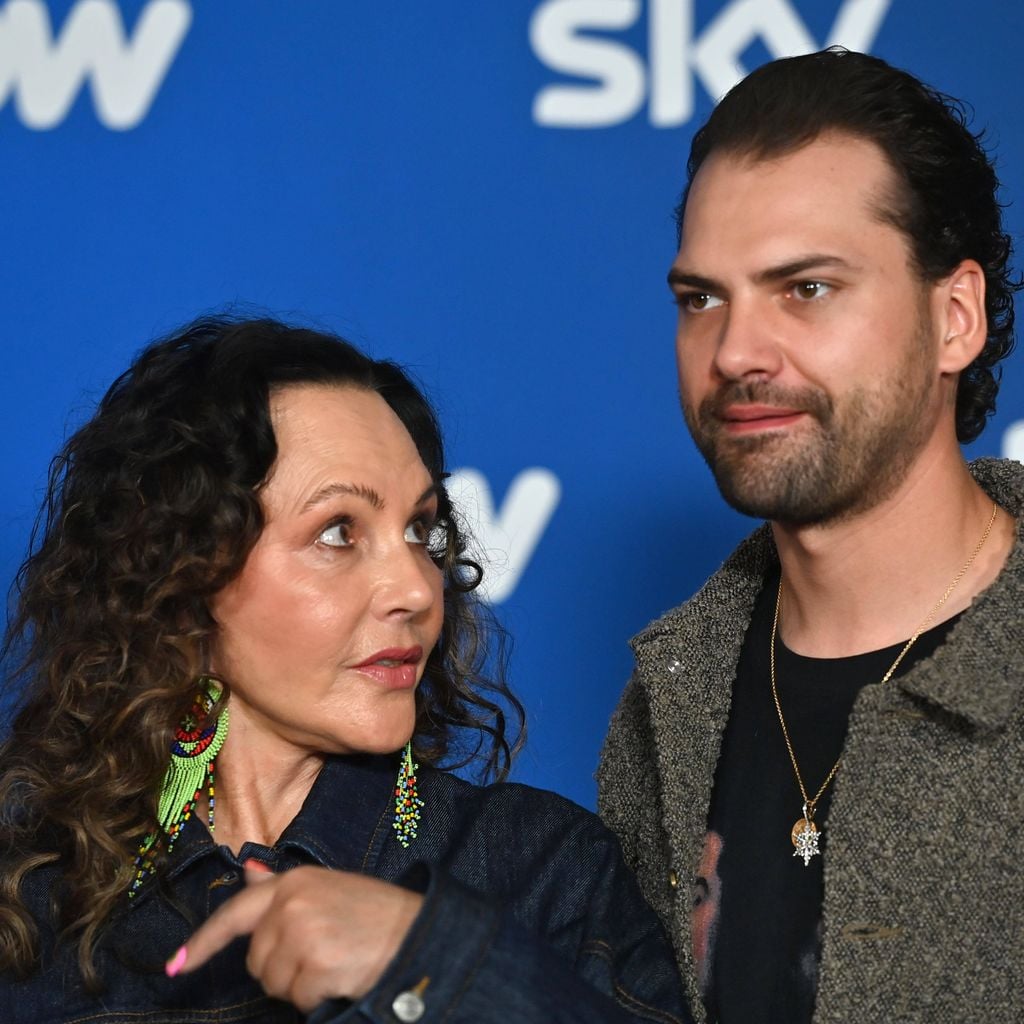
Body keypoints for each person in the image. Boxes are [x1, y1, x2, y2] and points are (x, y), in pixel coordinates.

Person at [0, 316, 688, 1023]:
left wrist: (429, 959)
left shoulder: (542, 872)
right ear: (179, 574)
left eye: (420, 529)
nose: (419, 589)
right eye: (338, 532)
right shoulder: (30, 899)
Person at [597, 48, 1024, 1024]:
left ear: (954, 317)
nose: (737, 352)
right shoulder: (666, 700)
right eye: (701, 298)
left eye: (806, 289)